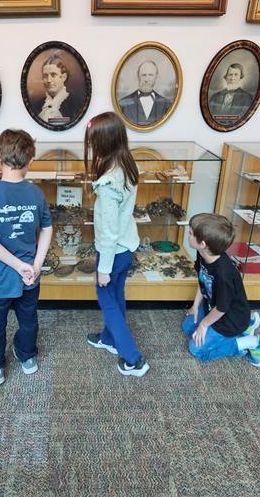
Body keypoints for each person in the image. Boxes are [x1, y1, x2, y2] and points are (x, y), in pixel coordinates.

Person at [0, 129, 53, 387]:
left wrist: (19, 266)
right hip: (30, 277)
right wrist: (35, 265)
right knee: (29, 319)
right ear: (31, 162)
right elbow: (48, 228)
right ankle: (28, 357)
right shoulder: (36, 194)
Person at [84, 112, 149, 377]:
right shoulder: (126, 165)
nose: (90, 147)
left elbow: (109, 231)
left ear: (104, 143)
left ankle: (134, 359)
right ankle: (109, 338)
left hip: (113, 252)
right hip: (126, 249)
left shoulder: (109, 183)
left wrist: (103, 268)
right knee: (117, 296)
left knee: (107, 301)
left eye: (93, 142)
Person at [181, 213, 260, 367]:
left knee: (196, 349)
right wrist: (195, 305)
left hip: (229, 319)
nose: (188, 235)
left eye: (190, 233)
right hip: (214, 308)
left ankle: (254, 343)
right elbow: (202, 279)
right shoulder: (202, 254)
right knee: (188, 328)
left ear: (203, 244)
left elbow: (222, 308)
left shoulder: (224, 274)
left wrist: (204, 324)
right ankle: (249, 323)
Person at [30, 52, 80, 126]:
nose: (49, 80)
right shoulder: (36, 105)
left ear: (63, 77)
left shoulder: (76, 105)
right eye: (45, 76)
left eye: (53, 75)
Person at [118, 60, 173, 127]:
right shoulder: (123, 104)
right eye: (144, 75)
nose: (147, 79)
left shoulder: (167, 104)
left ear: (156, 76)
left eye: (150, 75)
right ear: (138, 76)